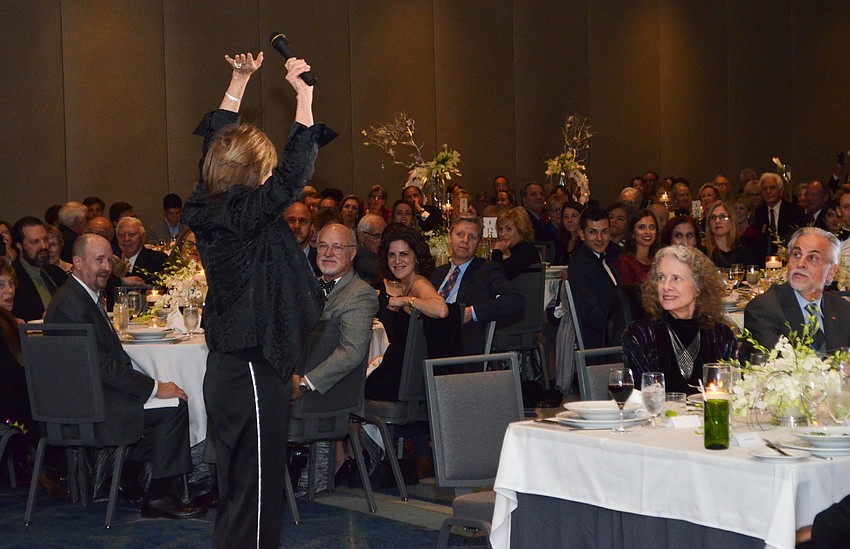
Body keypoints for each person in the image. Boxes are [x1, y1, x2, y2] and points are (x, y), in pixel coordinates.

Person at [181, 51, 335, 548]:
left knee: (242, 486)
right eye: (263, 170)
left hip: (233, 363)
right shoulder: (243, 213)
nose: (271, 178)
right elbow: (293, 177)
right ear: (250, 173)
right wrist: (305, 98)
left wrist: (238, 80)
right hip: (250, 365)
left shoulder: (207, 204)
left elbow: (214, 139)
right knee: (258, 487)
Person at [45, 235, 203, 519]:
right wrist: (154, 387)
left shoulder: (79, 296)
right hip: (87, 407)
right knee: (174, 408)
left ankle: (130, 480)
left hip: (88, 397)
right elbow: (103, 367)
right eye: (99, 260)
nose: (106, 267)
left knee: (167, 403)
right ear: (78, 263)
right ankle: (158, 496)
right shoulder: (72, 304)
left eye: (109, 259)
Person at [622, 245, 737, 394]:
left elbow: (732, 392)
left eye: (676, 278)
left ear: (698, 287)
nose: (666, 286)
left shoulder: (721, 336)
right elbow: (642, 397)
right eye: (661, 278)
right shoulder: (640, 334)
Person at [366, 224, 448, 400]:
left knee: (351, 388)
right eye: (391, 255)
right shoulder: (405, 283)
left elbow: (441, 309)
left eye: (404, 254)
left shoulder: (419, 283)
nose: (397, 261)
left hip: (401, 381)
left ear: (416, 257)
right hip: (399, 372)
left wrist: (406, 300)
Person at [429, 213, 523, 357]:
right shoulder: (437, 274)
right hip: (428, 340)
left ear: (478, 243)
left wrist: (471, 313)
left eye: (472, 237)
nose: (465, 241)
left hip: (458, 348)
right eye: (460, 234)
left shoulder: (486, 270)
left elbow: (515, 300)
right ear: (450, 237)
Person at [744, 227, 850, 354]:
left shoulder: (843, 309)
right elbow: (775, 368)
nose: (800, 264)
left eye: (812, 258)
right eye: (797, 254)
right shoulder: (764, 308)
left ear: (831, 272)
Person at [568, 206, 621, 349]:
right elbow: (589, 313)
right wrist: (621, 329)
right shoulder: (580, 264)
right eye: (593, 232)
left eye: (604, 232)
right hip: (599, 346)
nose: (599, 238)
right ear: (582, 234)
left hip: (611, 339)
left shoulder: (608, 258)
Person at [10, 217, 68, 321]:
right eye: (35, 242)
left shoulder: (58, 274)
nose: (43, 246)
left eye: (45, 239)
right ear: (19, 246)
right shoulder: (11, 280)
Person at [751, 172, 807, 255]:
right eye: (764, 189)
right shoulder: (759, 211)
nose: (768, 192)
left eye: (772, 188)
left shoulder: (794, 210)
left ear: (781, 191)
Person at [704, 201, 761, 268]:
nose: (717, 221)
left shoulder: (744, 252)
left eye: (722, 216)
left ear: (732, 221)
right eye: (713, 217)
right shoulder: (704, 253)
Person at [114, 217, 168, 284]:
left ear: (142, 237)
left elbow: (149, 285)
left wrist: (124, 274)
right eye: (122, 235)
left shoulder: (157, 259)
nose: (126, 239)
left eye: (132, 234)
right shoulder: (112, 260)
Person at [491, 207, 540, 280]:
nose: (503, 234)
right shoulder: (517, 250)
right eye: (500, 229)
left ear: (520, 230)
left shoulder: (526, 250)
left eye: (508, 229)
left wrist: (497, 252)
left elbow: (499, 275)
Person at [614, 209, 658, 285]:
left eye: (652, 227)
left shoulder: (657, 261)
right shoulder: (625, 263)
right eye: (641, 227)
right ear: (632, 232)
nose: (648, 232)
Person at [284, 201, 320, 276]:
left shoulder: (321, 260)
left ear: (311, 227)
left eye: (303, 221)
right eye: (291, 220)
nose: (297, 226)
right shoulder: (266, 258)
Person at [353, 213, 386, 283]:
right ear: (362, 237)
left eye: (384, 236)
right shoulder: (360, 259)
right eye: (377, 236)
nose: (381, 241)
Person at [554, 200, 584, 265]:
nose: (569, 220)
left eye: (574, 216)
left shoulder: (586, 242)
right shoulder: (561, 240)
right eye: (566, 217)